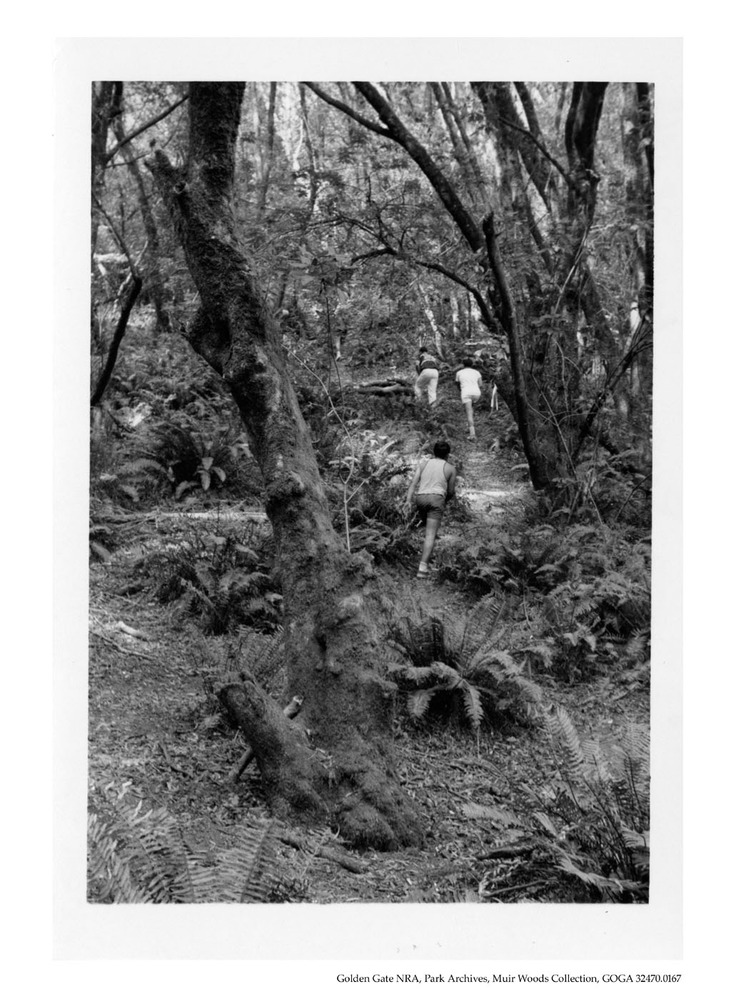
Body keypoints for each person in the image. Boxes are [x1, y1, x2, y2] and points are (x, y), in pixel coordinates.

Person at [404, 440, 456, 579]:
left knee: (426, 528)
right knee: (430, 534)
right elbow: (451, 491)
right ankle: (422, 568)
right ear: (448, 454)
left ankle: (422, 554)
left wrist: (408, 501)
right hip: (436, 499)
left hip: (420, 499)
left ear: (434, 452)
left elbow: (413, 484)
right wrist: (443, 501)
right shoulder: (450, 468)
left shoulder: (423, 464)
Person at [455, 358, 483, 440]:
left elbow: (457, 384)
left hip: (466, 393)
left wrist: (461, 390)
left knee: (469, 413)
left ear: (463, 365)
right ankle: (470, 426)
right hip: (476, 393)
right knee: (471, 409)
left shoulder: (459, 372)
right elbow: (480, 384)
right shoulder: (477, 372)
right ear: (472, 364)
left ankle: (472, 434)